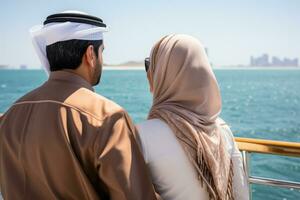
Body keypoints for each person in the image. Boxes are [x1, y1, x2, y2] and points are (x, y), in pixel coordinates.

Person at [0, 11, 158, 200]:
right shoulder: (108, 117)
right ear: (91, 54)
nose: (102, 60)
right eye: (102, 52)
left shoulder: (8, 118)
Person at [137, 34, 249, 200]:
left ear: (163, 74)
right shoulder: (222, 130)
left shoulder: (142, 134)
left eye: (150, 65)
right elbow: (242, 195)